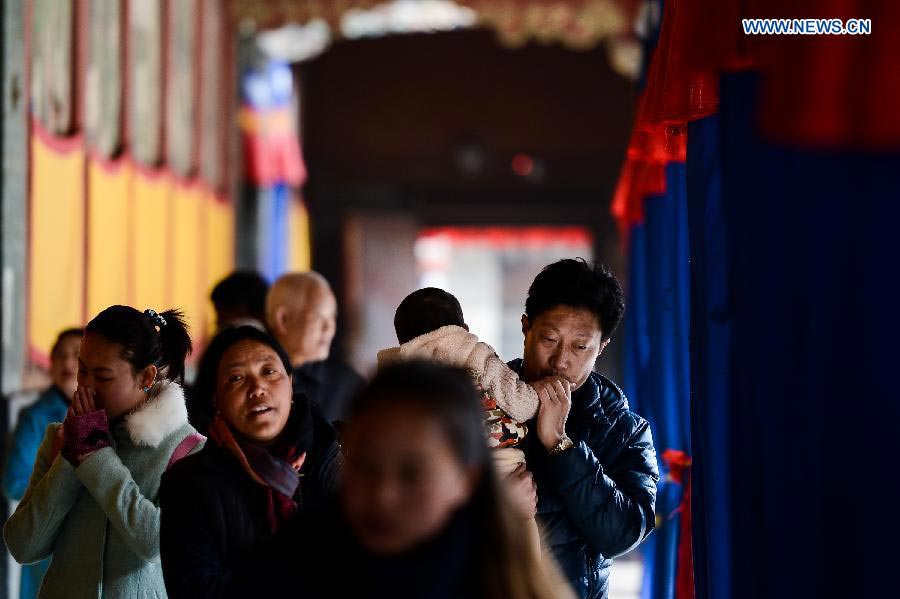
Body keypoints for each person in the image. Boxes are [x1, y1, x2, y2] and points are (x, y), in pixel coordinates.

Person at [267, 360, 575, 598]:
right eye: (365, 464)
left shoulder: (507, 580)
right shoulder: (296, 561)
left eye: (412, 473)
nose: (383, 494)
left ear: (467, 479)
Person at [3, 306, 200, 598]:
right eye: (83, 370)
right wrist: (70, 459)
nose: (86, 386)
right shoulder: (61, 436)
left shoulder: (185, 448)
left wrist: (95, 455)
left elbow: (154, 544)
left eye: (103, 376)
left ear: (146, 377)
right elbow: (23, 546)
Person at [509, 258, 659, 599]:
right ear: (525, 329)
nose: (561, 360)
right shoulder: (480, 403)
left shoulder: (625, 430)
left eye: (580, 347)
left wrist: (561, 446)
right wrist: (495, 507)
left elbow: (622, 535)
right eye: (549, 339)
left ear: (600, 348)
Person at [159, 325, 341, 598]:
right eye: (236, 378)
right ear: (215, 399)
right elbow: (195, 589)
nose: (257, 387)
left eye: (269, 371)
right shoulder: (188, 483)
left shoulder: (339, 463)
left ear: (290, 383)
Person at [377, 287, 543, 555]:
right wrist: (539, 393)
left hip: (435, 502)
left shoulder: (393, 381)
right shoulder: (474, 353)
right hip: (503, 476)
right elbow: (524, 406)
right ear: (463, 327)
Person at [2, 328, 82, 599]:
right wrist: (61, 487)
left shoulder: (112, 413)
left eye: (76, 355)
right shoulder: (36, 417)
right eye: (60, 356)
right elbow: (13, 481)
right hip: (49, 546)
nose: (68, 363)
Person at [266, 271, 363, 423]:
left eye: (332, 317)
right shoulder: (256, 381)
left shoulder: (347, 385)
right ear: (283, 320)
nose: (329, 327)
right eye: (319, 317)